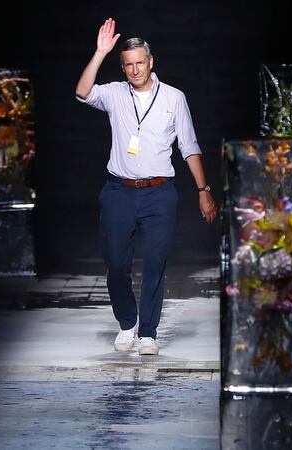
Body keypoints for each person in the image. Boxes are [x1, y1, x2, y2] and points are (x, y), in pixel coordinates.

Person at [75, 18, 217, 355]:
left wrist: (203, 190)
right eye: (129, 64)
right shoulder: (113, 94)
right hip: (119, 192)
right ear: (122, 67)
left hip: (159, 193)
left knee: (155, 262)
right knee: (116, 264)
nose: (135, 69)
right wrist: (99, 53)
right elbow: (82, 92)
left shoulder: (173, 98)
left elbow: (190, 146)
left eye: (140, 62)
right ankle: (127, 322)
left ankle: (148, 333)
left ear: (151, 62)